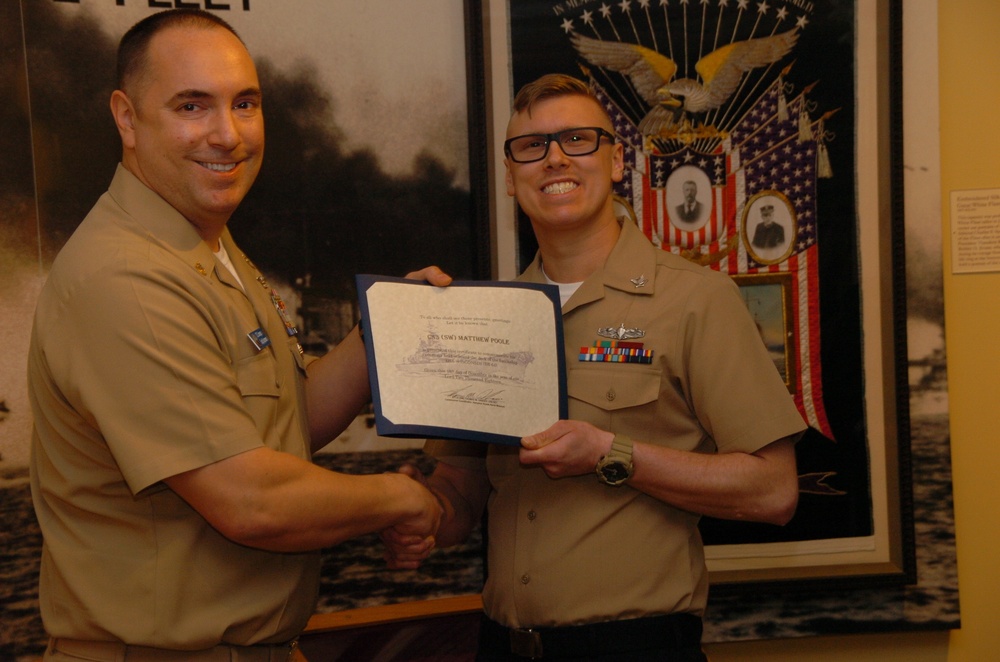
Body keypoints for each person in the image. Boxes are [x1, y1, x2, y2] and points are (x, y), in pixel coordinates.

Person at [28, 9, 447, 661]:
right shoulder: (129, 278)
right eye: (192, 106)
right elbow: (250, 500)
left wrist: (386, 332)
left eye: (245, 104)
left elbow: (285, 422)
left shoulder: (206, 245)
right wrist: (402, 497)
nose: (227, 134)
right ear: (127, 118)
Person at [382, 74, 806, 661]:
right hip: (501, 647)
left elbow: (774, 490)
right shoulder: (484, 319)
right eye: (531, 146)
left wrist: (610, 453)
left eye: (577, 139)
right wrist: (417, 516)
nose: (554, 158)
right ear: (510, 177)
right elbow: (459, 494)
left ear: (615, 161)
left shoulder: (695, 299)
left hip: (634, 648)